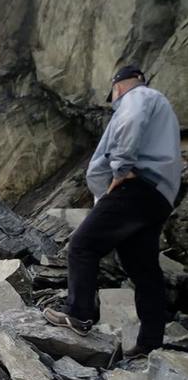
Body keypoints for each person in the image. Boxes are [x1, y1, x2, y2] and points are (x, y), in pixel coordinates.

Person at [44, 64, 182, 357]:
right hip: (159, 196)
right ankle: (150, 342)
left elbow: (130, 120)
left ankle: (79, 313)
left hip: (136, 187)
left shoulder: (137, 96)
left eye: (114, 95)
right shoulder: (162, 108)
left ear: (118, 87)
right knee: (143, 268)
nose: (116, 100)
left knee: (82, 246)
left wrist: (121, 169)